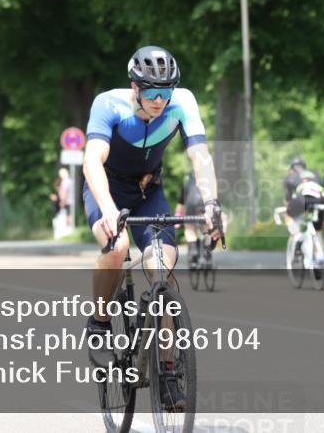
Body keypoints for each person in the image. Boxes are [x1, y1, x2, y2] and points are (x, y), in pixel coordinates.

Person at [82, 46, 221, 412]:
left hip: (149, 191)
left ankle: (169, 373)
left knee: (162, 267)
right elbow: (92, 161)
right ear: (135, 87)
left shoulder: (183, 102)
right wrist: (109, 209)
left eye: (166, 91)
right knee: (116, 247)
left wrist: (211, 204)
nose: (160, 100)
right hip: (107, 190)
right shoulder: (108, 104)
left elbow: (200, 157)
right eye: (152, 91)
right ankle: (98, 323)